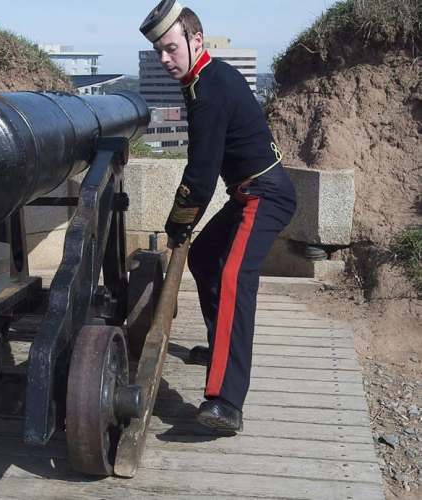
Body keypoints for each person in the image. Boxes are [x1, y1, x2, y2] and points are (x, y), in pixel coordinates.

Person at [139, 1, 297, 431]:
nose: (164, 59)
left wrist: (177, 225)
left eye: (171, 49)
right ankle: (221, 345)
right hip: (249, 192)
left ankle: (226, 400)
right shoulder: (205, 79)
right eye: (159, 52)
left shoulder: (207, 90)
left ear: (195, 40)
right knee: (206, 256)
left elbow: (201, 175)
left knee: (233, 277)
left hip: (265, 194)